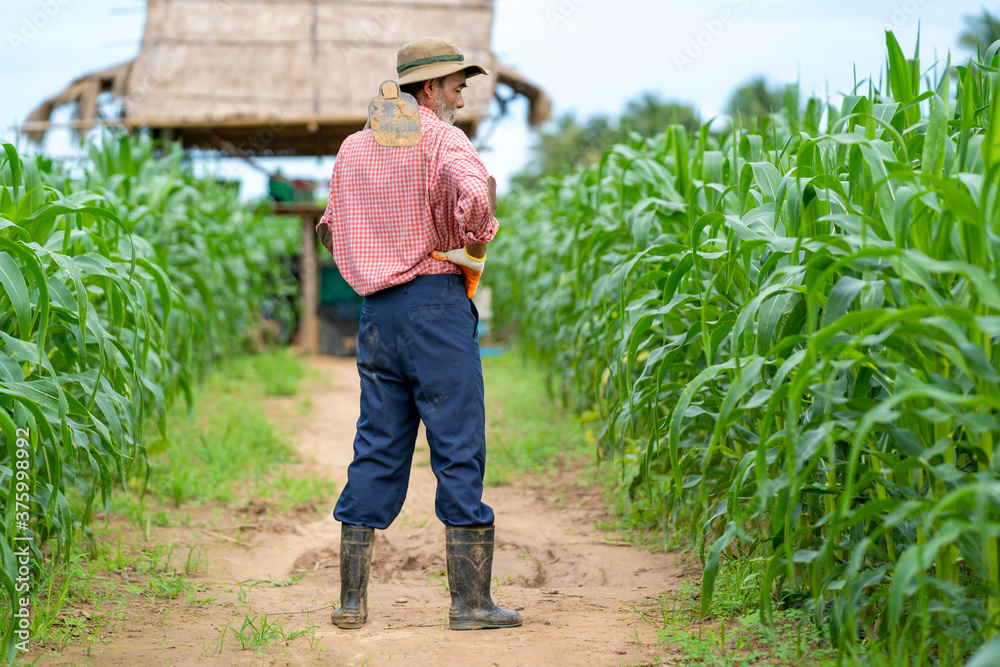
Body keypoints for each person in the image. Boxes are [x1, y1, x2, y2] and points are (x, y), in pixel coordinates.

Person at [315, 36, 522, 632]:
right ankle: (470, 605)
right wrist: (476, 238)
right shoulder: (441, 137)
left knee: (378, 442)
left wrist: (372, 262)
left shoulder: (354, 147)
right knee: (456, 442)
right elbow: (477, 196)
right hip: (435, 307)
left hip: (377, 314)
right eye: (457, 85)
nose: (462, 94)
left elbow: (331, 229)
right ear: (427, 88)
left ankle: (351, 602)